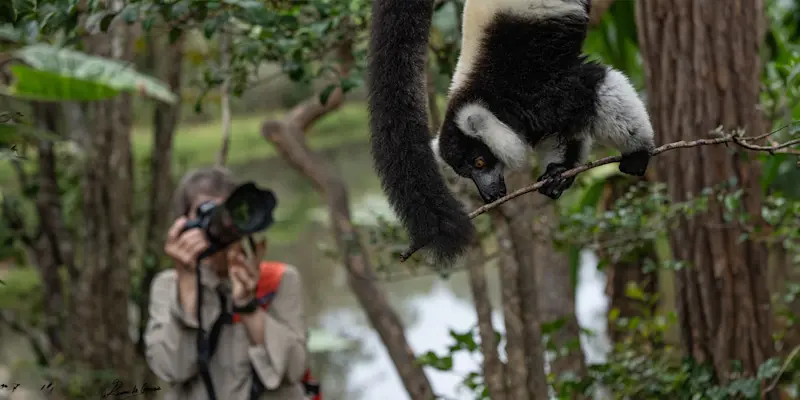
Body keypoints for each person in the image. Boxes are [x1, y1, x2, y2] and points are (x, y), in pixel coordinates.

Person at [144, 166, 314, 400]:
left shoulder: (277, 280)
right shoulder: (168, 286)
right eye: (208, 213)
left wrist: (248, 305)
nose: (223, 224)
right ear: (183, 225)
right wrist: (187, 286)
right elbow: (173, 369)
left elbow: (293, 370)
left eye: (228, 212)